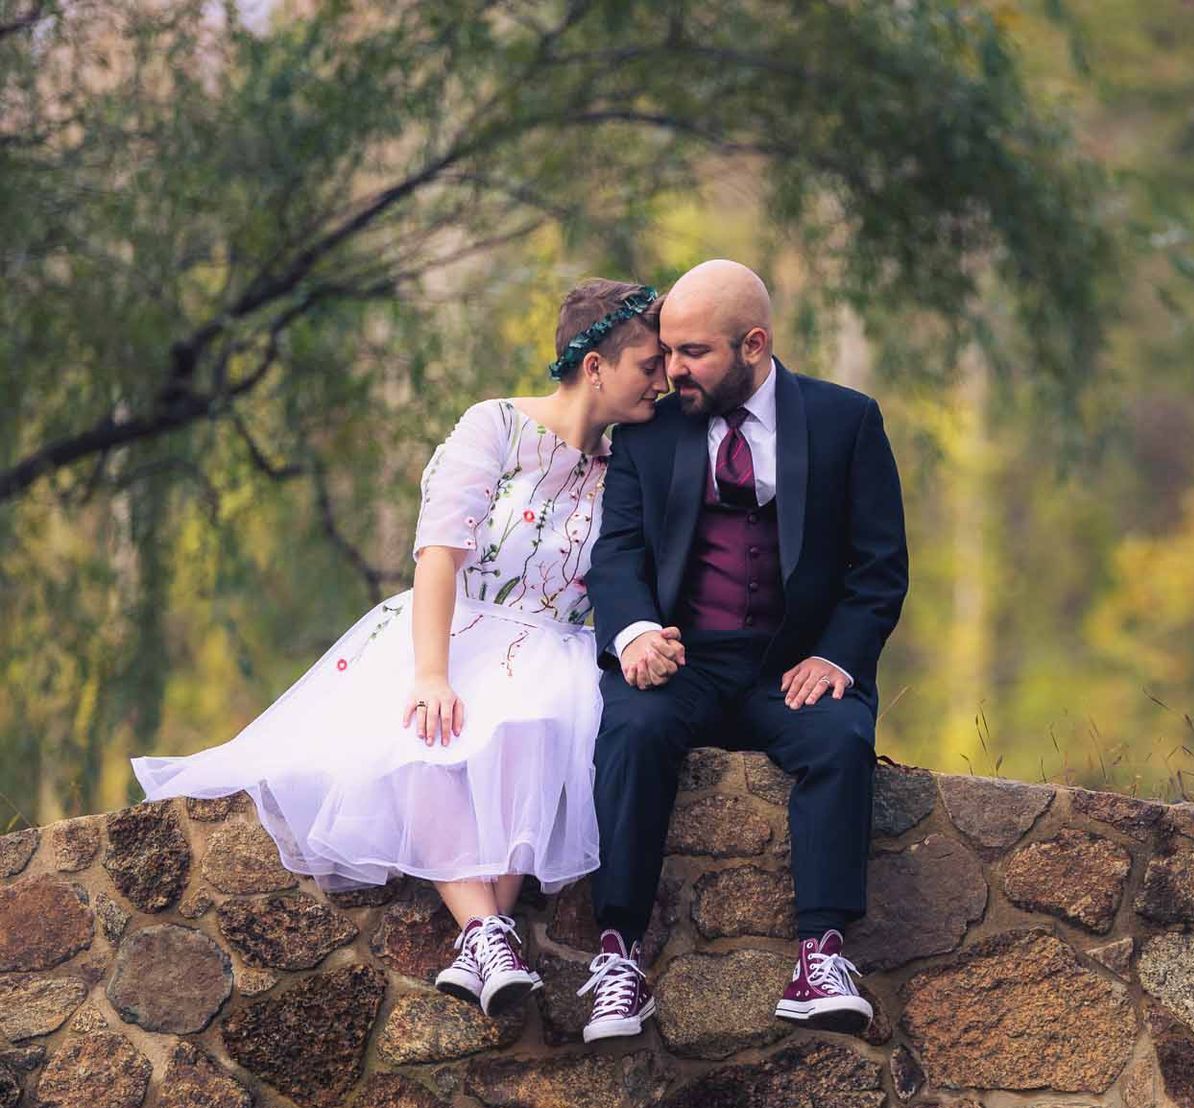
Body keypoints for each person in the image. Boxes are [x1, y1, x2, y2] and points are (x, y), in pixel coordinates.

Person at [134, 278, 669, 1019]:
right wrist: (430, 672)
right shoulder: (498, 427)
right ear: (595, 366)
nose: (664, 381)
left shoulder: (626, 467)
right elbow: (439, 554)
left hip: (556, 650)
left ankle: (486, 941)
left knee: (533, 732)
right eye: (650, 364)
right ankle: (488, 931)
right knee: (428, 735)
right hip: (454, 623)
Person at [580, 259, 908, 1043]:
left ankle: (821, 955)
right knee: (632, 729)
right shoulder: (648, 436)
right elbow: (616, 554)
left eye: (694, 353)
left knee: (838, 738)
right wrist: (631, 636)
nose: (673, 371)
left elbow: (879, 566)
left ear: (753, 345)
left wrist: (837, 656)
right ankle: (619, 957)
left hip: (790, 667)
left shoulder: (844, 421)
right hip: (683, 663)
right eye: (667, 351)